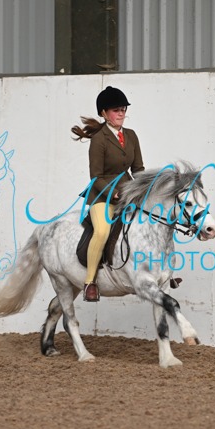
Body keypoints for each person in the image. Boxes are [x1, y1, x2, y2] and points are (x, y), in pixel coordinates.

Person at [71, 86, 145, 302]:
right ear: (104, 113)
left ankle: (158, 273)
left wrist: (144, 188)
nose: (121, 113)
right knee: (102, 231)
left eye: (123, 109)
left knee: (148, 223)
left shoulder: (131, 135)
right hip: (102, 195)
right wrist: (113, 193)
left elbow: (138, 169)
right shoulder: (99, 139)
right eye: (116, 110)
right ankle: (90, 282)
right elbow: (96, 176)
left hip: (128, 192)